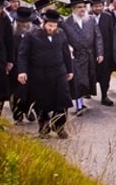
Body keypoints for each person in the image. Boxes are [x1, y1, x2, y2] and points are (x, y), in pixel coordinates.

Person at [16, 10, 74, 138]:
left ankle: (59, 126)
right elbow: (23, 55)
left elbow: (66, 53)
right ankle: (44, 127)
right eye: (50, 26)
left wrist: (70, 70)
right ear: (44, 23)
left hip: (58, 72)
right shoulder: (31, 35)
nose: (52, 29)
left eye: (54, 26)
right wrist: (22, 71)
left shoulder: (61, 34)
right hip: (39, 73)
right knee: (41, 103)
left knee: (63, 101)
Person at [63, 0, 103, 116]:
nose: (82, 9)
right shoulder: (66, 22)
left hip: (90, 54)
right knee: (78, 81)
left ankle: (82, 102)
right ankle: (78, 105)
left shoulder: (90, 19)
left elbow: (98, 37)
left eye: (84, 7)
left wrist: (100, 53)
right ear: (73, 9)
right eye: (79, 7)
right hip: (76, 55)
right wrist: (67, 48)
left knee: (88, 80)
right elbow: (64, 39)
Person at [9, 5, 37, 124]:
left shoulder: (36, 31)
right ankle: (18, 113)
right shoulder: (11, 31)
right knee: (17, 91)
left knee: (31, 90)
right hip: (14, 65)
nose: (24, 25)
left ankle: (28, 109)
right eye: (21, 22)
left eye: (26, 22)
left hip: (31, 65)